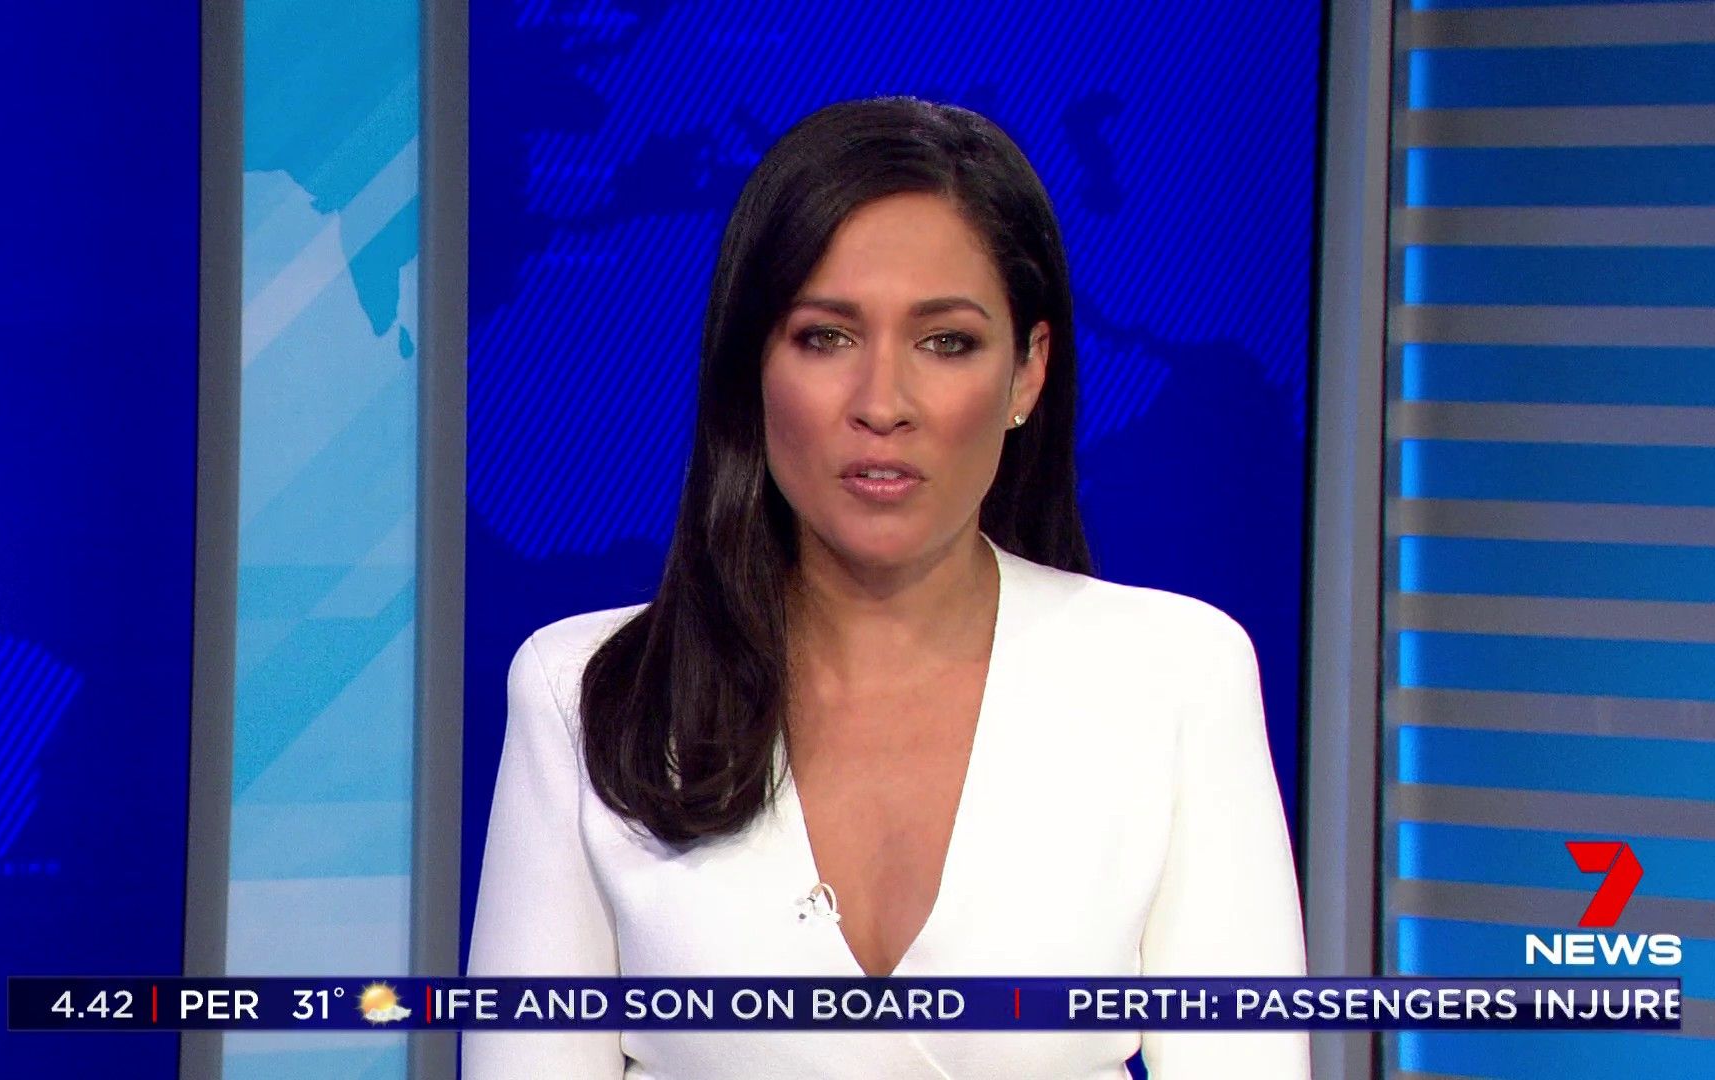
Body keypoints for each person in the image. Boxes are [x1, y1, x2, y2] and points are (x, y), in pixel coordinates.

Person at [464, 96, 1308, 1079]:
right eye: (825, 337)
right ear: (751, 365)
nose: (882, 404)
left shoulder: (1175, 678)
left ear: (1028, 372)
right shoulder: (585, 693)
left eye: (945, 342)